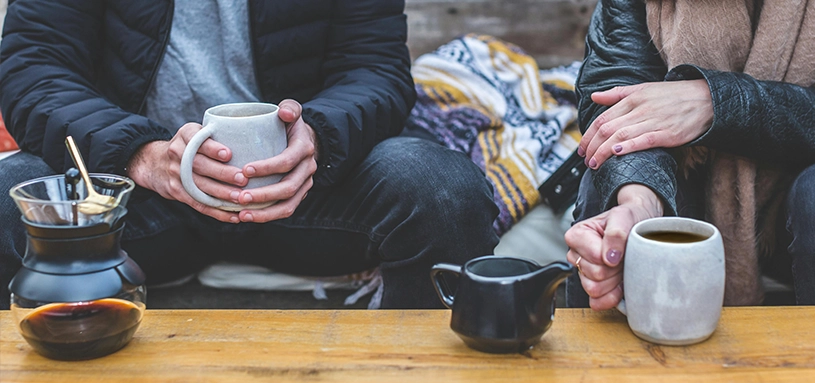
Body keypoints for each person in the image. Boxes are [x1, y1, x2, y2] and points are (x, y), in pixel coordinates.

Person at [0, 0, 500, 309]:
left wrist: (319, 140)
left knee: (442, 190)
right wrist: (140, 156)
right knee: (11, 193)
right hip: (136, 201)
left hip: (305, 191)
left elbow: (376, 69)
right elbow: (34, 70)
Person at [564, 0, 815, 332]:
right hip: (693, 175)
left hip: (811, 189)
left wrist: (714, 104)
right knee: (609, 203)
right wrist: (639, 200)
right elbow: (617, 97)